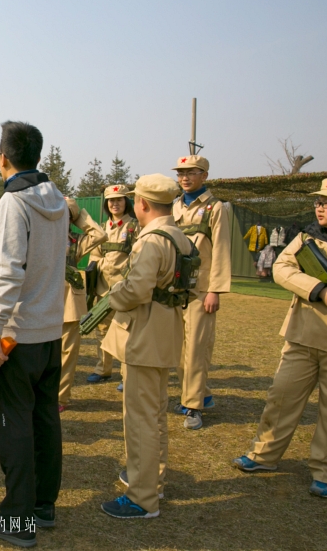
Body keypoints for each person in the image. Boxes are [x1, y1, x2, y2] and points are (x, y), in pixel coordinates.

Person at [233, 177, 327, 499]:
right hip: (303, 334)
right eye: (318, 202)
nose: (320, 208)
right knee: (281, 396)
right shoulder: (308, 237)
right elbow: (282, 268)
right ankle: (264, 454)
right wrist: (320, 291)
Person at [0, 121, 68, 548]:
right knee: (45, 420)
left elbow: (9, 270)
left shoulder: (15, 201)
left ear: (3, 158)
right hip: (49, 332)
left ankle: (17, 519)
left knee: (14, 427)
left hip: (17, 335)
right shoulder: (58, 200)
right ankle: (42, 505)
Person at [99, 174, 193, 519]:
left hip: (145, 330)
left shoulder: (151, 240)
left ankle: (142, 498)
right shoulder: (180, 236)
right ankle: (153, 481)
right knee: (154, 414)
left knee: (140, 418)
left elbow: (137, 290)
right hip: (166, 328)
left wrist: (112, 296)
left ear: (142, 204)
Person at [171, 154, 231, 430]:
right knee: (180, 348)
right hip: (175, 288)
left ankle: (193, 406)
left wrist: (215, 290)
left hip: (200, 288)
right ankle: (200, 395)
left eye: (192, 172)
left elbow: (220, 249)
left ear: (204, 175)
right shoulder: (174, 207)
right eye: (181, 172)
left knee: (196, 348)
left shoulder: (215, 208)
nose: (185, 177)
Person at [87, 185, 138, 389]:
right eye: (111, 200)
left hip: (124, 290)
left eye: (119, 199)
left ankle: (127, 375)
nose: (115, 203)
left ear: (127, 202)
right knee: (102, 330)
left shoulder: (134, 227)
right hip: (103, 290)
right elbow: (95, 257)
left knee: (126, 331)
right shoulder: (103, 227)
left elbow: (137, 257)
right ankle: (103, 369)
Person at [57, 198, 105, 411]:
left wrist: (80, 216)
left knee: (67, 351)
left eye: (66, 214)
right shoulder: (38, 236)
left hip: (68, 301)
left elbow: (100, 235)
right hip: (43, 299)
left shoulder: (76, 241)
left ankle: (60, 397)